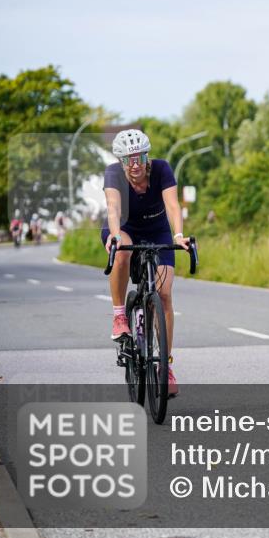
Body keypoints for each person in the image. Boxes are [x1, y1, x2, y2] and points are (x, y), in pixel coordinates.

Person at [102, 129, 190, 397]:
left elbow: (173, 206)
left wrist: (178, 235)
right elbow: (114, 208)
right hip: (124, 227)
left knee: (163, 295)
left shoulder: (162, 169)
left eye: (139, 156)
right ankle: (120, 315)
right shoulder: (113, 174)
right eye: (129, 159)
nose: (136, 164)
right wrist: (116, 236)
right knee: (123, 253)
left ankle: (166, 365)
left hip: (157, 231)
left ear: (147, 155)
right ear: (121, 161)